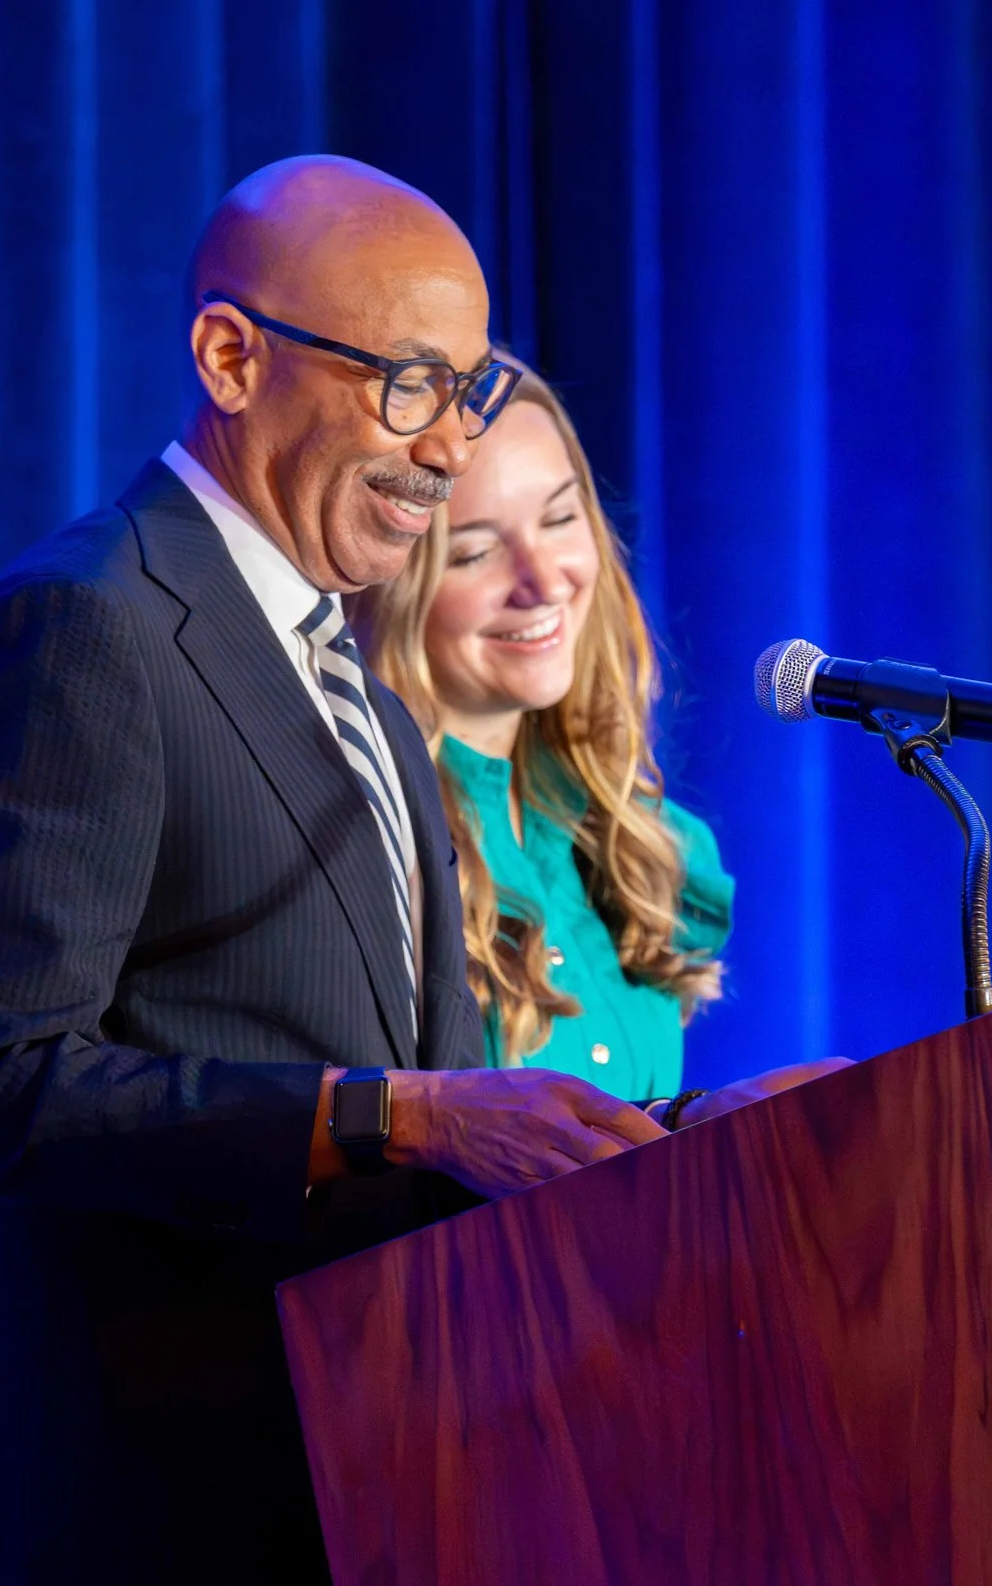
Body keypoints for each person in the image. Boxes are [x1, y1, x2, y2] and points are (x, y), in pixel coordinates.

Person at [0, 157, 674, 1584]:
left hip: (362, 1488)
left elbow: (440, 1105)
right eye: (408, 385)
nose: (445, 451)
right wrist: (390, 1113)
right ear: (231, 356)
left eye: (469, 391)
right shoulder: (83, 630)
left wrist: (700, 1133)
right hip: (129, 1509)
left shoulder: (363, 691)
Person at [353, 362, 842, 1117]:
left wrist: (709, 1122)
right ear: (390, 580)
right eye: (476, 551)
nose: (543, 580)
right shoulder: (364, 845)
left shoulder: (640, 844)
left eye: (559, 518)